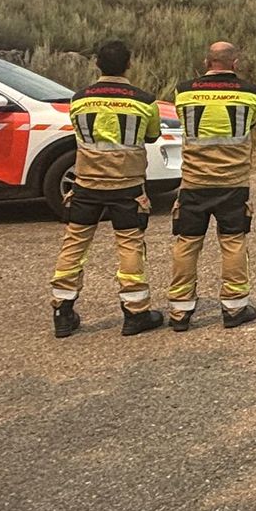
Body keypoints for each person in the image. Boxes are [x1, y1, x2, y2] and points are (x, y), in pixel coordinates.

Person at [49, 39, 164, 338]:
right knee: (129, 246)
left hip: (86, 184)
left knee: (74, 244)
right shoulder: (144, 100)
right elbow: (152, 135)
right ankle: (135, 313)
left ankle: (62, 312)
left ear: (97, 64)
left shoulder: (79, 99)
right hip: (127, 186)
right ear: (129, 64)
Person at [168, 41, 256, 330]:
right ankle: (234, 308)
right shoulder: (251, 93)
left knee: (187, 242)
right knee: (233, 242)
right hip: (233, 181)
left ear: (206, 63)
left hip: (194, 181)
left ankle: (180, 311)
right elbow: (251, 125)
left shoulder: (183, 92)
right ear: (235, 64)